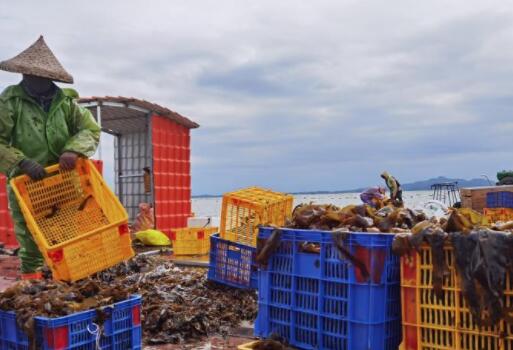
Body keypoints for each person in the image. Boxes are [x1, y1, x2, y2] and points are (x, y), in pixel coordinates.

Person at [0, 36, 100, 279]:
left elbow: (90, 130)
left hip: (63, 181)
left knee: (70, 232)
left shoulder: (66, 103)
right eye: (27, 75)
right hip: (27, 183)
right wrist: (21, 161)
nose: (30, 80)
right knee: (30, 239)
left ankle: (70, 279)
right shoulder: (10, 101)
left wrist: (72, 149)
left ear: (48, 78)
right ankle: (32, 285)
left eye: (36, 76)